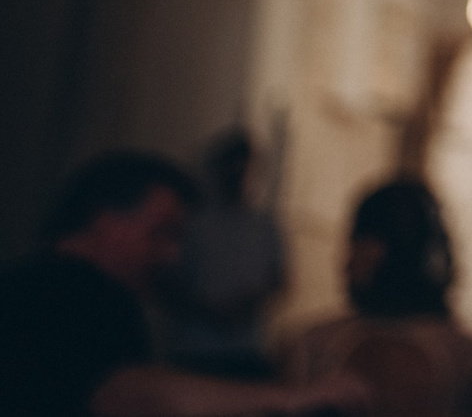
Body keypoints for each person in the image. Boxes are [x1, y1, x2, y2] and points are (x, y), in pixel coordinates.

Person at [0, 150, 367, 417]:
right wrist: (294, 398)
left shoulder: (32, 283)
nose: (170, 255)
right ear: (105, 221)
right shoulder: (81, 291)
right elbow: (127, 396)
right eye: (159, 233)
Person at [281, 183, 472, 417]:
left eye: (356, 245)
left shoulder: (314, 347)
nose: (345, 263)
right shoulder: (470, 356)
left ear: (378, 252)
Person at [166, 133, 287, 378]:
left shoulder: (264, 226)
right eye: (231, 164)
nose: (237, 173)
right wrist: (208, 311)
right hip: (194, 347)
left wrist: (246, 305)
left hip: (245, 347)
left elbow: (278, 278)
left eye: (243, 165)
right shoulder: (195, 223)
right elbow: (167, 279)